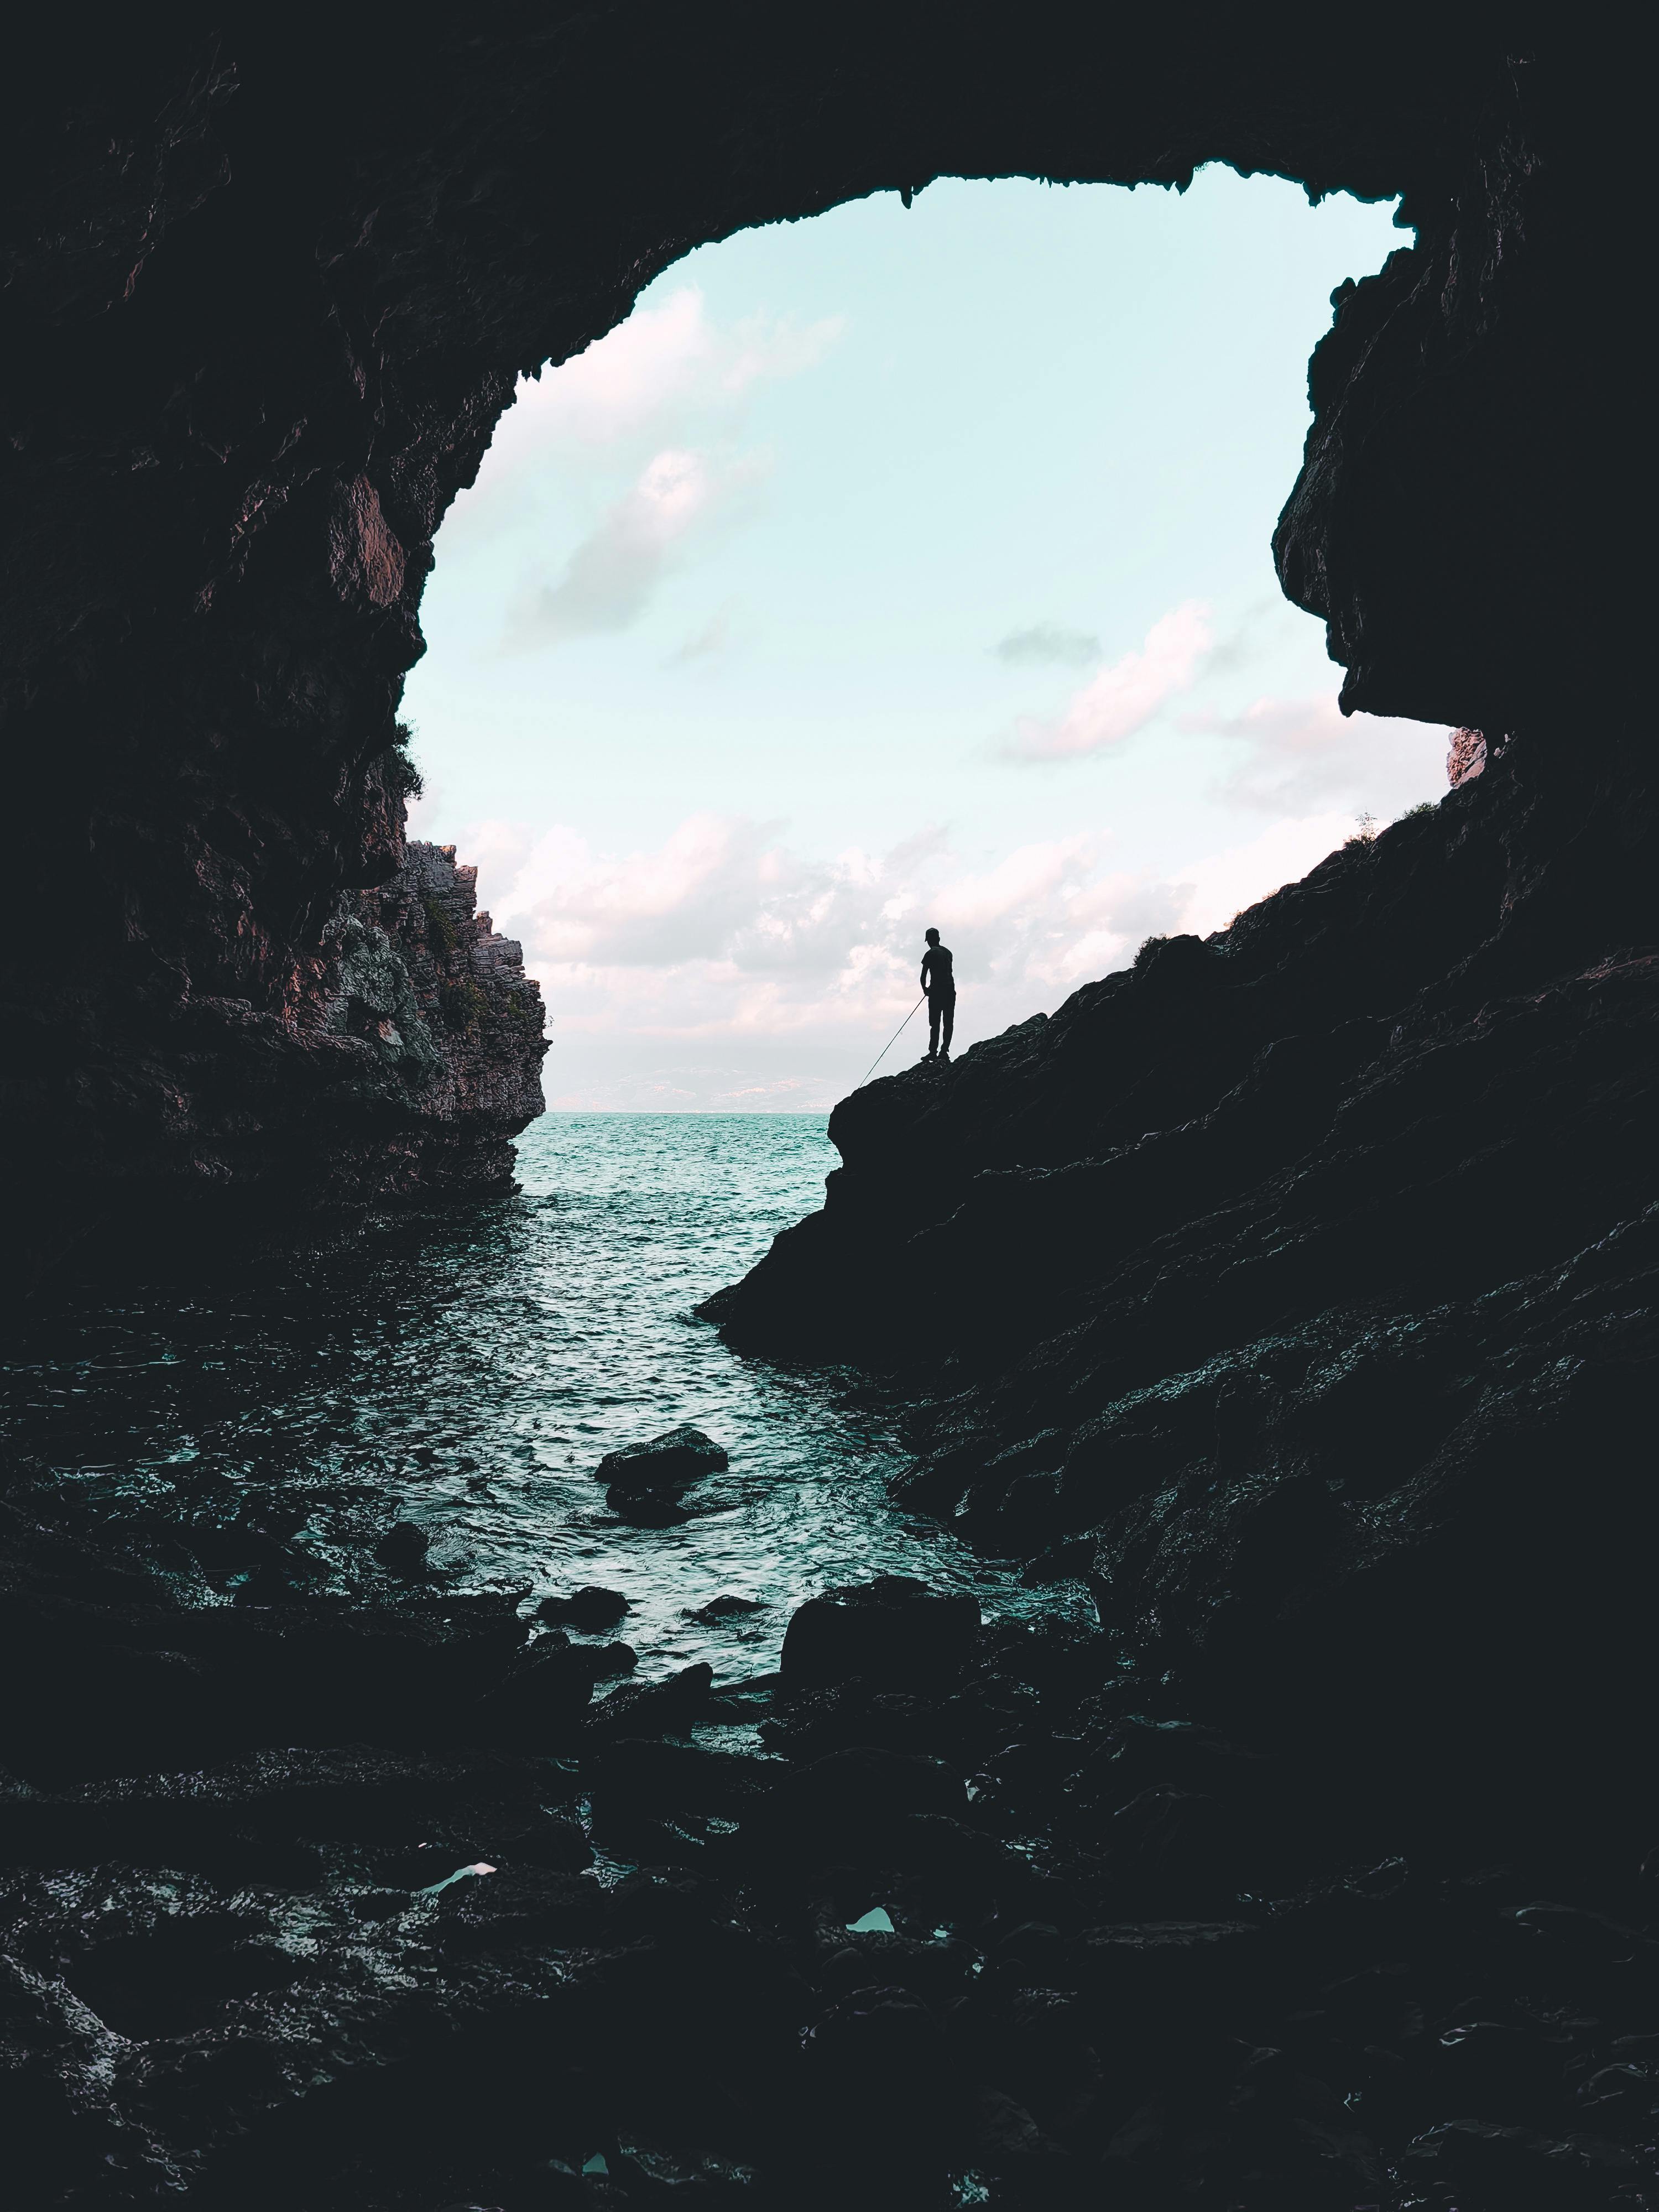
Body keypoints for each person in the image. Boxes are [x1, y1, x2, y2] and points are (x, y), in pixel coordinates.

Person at [920, 927, 955, 1060]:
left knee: (935, 1023)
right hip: (950, 991)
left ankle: (933, 1052)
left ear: (929, 940)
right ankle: (944, 1052)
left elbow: (923, 975)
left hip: (936, 992)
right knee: (948, 1022)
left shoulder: (930, 954)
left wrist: (925, 989)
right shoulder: (948, 953)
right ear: (939, 939)